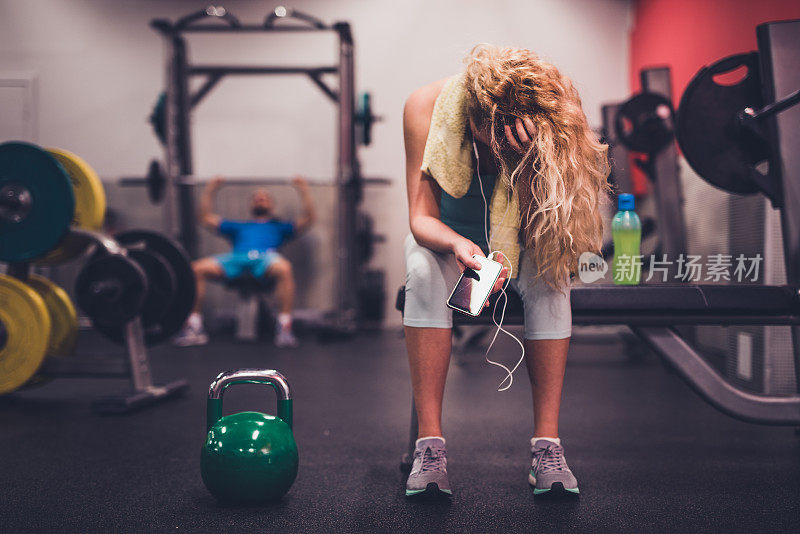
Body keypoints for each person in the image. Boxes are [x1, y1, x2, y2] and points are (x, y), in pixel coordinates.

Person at [402, 45, 610, 498]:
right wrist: (460, 245)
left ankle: (547, 447)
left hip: (520, 231)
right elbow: (420, 216)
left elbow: (550, 220)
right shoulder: (424, 106)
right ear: (470, 119)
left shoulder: (552, 119)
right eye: (486, 145)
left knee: (553, 278)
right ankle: (429, 445)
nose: (494, 157)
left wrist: (532, 159)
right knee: (420, 271)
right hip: (446, 234)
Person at [173, 176, 316, 348]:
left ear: (271, 205)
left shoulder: (279, 227)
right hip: (237, 258)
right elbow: (204, 218)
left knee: (284, 268)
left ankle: (285, 328)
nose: (260, 200)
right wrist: (211, 190)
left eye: (264, 198)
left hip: (264, 258)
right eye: (256, 198)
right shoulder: (240, 226)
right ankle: (193, 327)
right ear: (251, 205)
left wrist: (304, 190)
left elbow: (309, 219)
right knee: (196, 269)